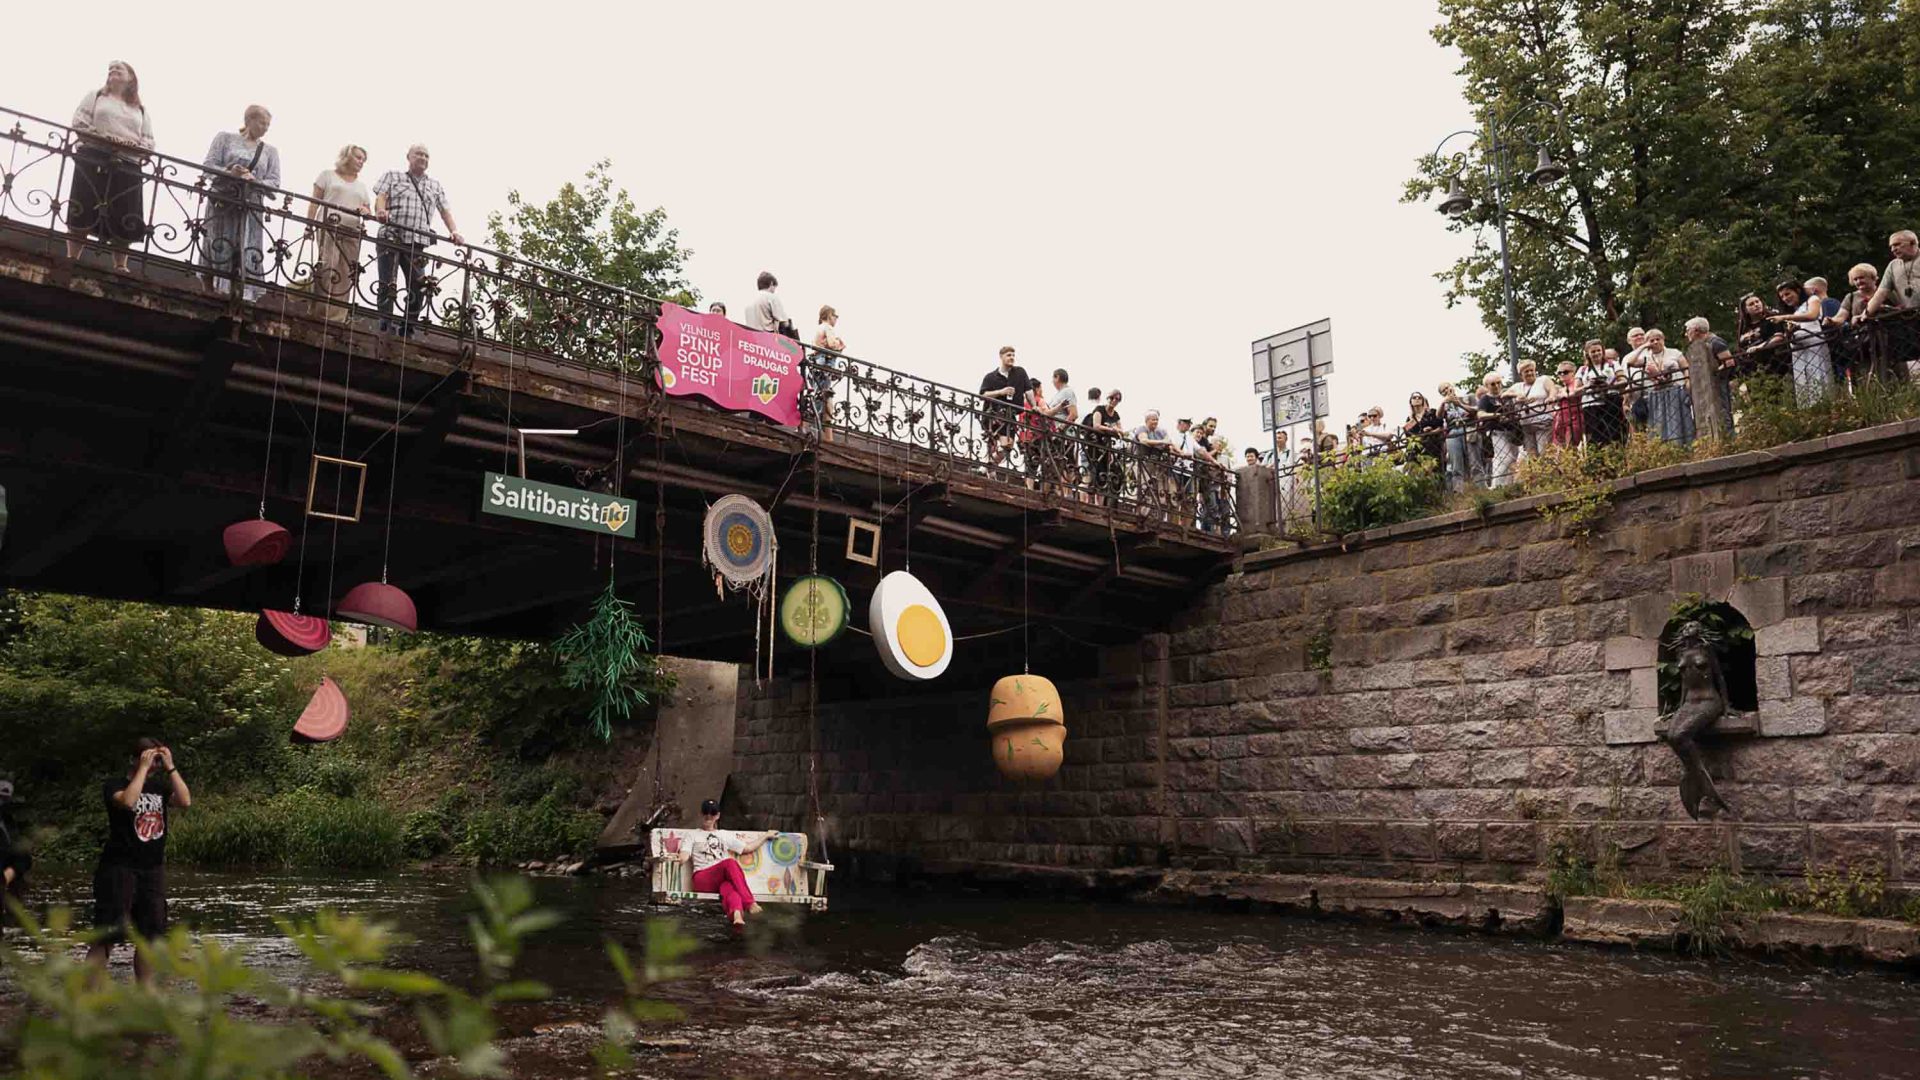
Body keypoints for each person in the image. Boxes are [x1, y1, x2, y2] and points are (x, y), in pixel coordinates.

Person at [86, 737, 191, 984]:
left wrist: (171, 767)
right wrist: (142, 769)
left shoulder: (159, 789)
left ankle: (146, 995)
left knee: (150, 936)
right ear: (133, 758)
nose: (153, 764)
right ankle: (85, 994)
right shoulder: (114, 785)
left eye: (155, 759)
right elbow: (128, 802)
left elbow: (185, 801)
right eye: (148, 758)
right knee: (108, 934)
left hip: (152, 869)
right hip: (118, 868)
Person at [66, 60, 155, 273]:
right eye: (110, 68)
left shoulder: (139, 109)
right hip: (94, 156)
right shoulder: (96, 96)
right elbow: (79, 122)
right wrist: (104, 138)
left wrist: (132, 145)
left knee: (126, 213)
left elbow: (149, 143)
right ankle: (72, 257)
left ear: (131, 78)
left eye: (119, 68)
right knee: (83, 203)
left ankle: (120, 265)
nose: (113, 69)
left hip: (127, 163)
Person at [372, 144, 463, 337]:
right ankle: (385, 323)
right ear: (408, 157)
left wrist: (454, 231)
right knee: (387, 281)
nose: (423, 158)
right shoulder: (393, 176)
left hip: (417, 241)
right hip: (390, 234)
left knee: (419, 285)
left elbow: (445, 211)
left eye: (426, 155)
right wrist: (380, 210)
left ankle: (408, 326)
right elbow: (381, 196)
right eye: (419, 154)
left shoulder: (435, 186)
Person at [199, 105, 281, 301]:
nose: (265, 128)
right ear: (249, 120)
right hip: (223, 199)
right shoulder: (225, 138)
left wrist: (254, 179)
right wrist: (230, 172)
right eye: (262, 123)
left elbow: (275, 182)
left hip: (250, 204)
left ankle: (240, 292)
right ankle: (212, 290)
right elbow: (208, 165)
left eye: (268, 125)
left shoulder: (270, 151)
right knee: (217, 241)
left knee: (245, 245)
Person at [668, 799, 777, 936]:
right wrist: (679, 858)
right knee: (729, 863)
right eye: (706, 812)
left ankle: (737, 916)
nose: (709, 816)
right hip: (703, 879)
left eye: (712, 813)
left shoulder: (724, 835)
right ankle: (750, 904)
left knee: (729, 887)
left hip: (721, 879)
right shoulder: (692, 834)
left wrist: (766, 836)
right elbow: (685, 854)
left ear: (717, 816)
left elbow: (747, 848)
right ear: (701, 814)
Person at [309, 145, 376, 321]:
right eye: (358, 157)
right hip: (329, 227)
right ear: (347, 157)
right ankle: (320, 312)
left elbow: (367, 208)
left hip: (352, 231)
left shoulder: (361, 186)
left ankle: (338, 317)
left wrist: (365, 210)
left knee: (346, 273)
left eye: (363, 160)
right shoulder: (327, 175)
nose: (361, 162)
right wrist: (309, 224)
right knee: (328, 267)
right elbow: (314, 201)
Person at [1769, 280, 1833, 406]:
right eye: (1782, 296)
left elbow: (1812, 315)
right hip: (1799, 348)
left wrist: (1785, 317)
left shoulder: (1812, 300)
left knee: (1818, 377)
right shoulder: (1794, 310)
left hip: (1814, 344)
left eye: (1787, 294)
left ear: (1797, 291)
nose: (1785, 298)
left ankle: (1825, 407)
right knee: (1803, 382)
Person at [1683, 317, 1738, 442]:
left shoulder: (1715, 342)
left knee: (1723, 412)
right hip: (1705, 388)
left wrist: (1714, 374)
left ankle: (1729, 440)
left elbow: (1729, 362)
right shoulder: (1698, 346)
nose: (1686, 334)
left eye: (1688, 330)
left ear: (1696, 330)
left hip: (1719, 385)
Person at [978, 346, 1031, 469]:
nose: (1012, 357)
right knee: (991, 445)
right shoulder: (990, 376)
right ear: (1001, 356)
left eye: (1013, 355)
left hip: (1009, 414)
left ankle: (986, 466)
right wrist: (1001, 392)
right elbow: (983, 395)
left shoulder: (1019, 373)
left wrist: (1034, 406)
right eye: (1008, 355)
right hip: (992, 413)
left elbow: (1029, 391)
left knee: (1007, 447)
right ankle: (989, 471)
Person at [1640, 328, 1694, 443]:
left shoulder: (1674, 352)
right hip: (1657, 394)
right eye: (1651, 340)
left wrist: (1687, 381)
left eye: (1658, 339)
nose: (1655, 342)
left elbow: (1686, 368)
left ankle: (1683, 444)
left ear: (1663, 340)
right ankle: (1663, 448)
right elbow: (1630, 362)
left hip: (1676, 390)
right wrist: (1643, 347)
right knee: (1659, 422)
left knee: (1678, 419)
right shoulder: (1646, 357)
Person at [1577, 339, 1626, 446]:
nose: (1596, 354)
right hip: (1591, 405)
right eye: (1593, 352)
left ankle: (1617, 457)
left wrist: (1609, 386)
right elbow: (1575, 391)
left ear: (1603, 351)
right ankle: (1598, 460)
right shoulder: (1583, 370)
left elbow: (1624, 381)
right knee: (1595, 437)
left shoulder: (1613, 364)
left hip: (1611, 402)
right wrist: (1588, 385)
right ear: (1588, 354)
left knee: (1615, 433)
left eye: (1598, 350)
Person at [1083, 389, 1124, 504]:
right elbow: (1096, 426)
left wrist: (1116, 430)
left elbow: (1121, 430)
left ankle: (1099, 505)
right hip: (1093, 444)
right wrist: (1112, 429)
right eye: (1112, 398)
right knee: (1091, 473)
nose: (1114, 401)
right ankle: (1087, 502)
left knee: (1103, 475)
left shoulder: (1115, 415)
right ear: (1107, 398)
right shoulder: (1099, 409)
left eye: (1117, 399)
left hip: (1105, 447)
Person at [809, 304, 844, 436]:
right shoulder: (828, 327)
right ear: (829, 316)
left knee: (816, 392)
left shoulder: (819, 328)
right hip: (825, 362)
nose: (836, 319)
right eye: (836, 316)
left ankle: (812, 424)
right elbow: (831, 344)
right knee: (823, 395)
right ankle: (816, 428)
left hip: (816, 361)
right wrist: (840, 344)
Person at [1478, 372, 1519, 487]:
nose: (1496, 386)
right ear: (1487, 386)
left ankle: (1508, 485)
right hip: (1496, 431)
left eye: (1498, 383)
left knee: (1514, 459)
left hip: (1512, 430)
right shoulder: (1485, 399)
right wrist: (1495, 415)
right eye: (1493, 384)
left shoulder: (1507, 394)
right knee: (1505, 457)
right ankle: (1496, 485)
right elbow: (1480, 414)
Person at [1437, 383, 1478, 490]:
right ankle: (1459, 491)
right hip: (1453, 432)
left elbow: (1475, 410)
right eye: (1443, 390)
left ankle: (1479, 487)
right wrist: (1443, 402)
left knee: (1474, 461)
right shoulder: (1444, 405)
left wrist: (1459, 404)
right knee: (1456, 463)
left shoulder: (1467, 397)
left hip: (1468, 429)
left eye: (1447, 387)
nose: (1446, 390)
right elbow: (1438, 416)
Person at [1513, 360, 1555, 460]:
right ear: (1520, 374)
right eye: (1526, 371)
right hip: (1526, 425)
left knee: (1544, 452)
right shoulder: (1518, 386)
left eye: (1531, 370)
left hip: (1543, 422)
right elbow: (1504, 394)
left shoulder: (1543, 380)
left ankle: (1550, 474)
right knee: (1532, 456)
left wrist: (1551, 397)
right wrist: (1517, 395)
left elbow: (1552, 389)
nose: (1530, 373)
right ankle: (1536, 475)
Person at [1, 779, 29, 907]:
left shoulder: (11, 822)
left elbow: (24, 857)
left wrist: (12, 871)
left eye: (4, 799)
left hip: (11, 874)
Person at [744, 271, 793, 336]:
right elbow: (785, 323)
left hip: (752, 338)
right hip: (768, 339)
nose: (774, 291)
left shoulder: (749, 299)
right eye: (775, 288)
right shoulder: (772, 297)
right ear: (771, 283)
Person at [1402, 392, 1444, 463]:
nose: (1417, 399)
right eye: (1414, 398)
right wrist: (1422, 433)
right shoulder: (1410, 419)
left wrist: (1431, 432)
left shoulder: (1432, 413)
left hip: (1433, 448)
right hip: (1417, 453)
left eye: (1419, 397)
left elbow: (1441, 427)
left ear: (1423, 400)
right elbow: (1409, 437)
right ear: (1411, 402)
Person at [1550, 361, 1584, 447]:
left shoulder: (1577, 385)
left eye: (1565, 372)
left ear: (1573, 373)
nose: (1562, 374)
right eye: (1559, 373)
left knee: (1572, 446)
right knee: (1562, 449)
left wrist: (1564, 396)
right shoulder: (1561, 389)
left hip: (1575, 419)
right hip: (1561, 421)